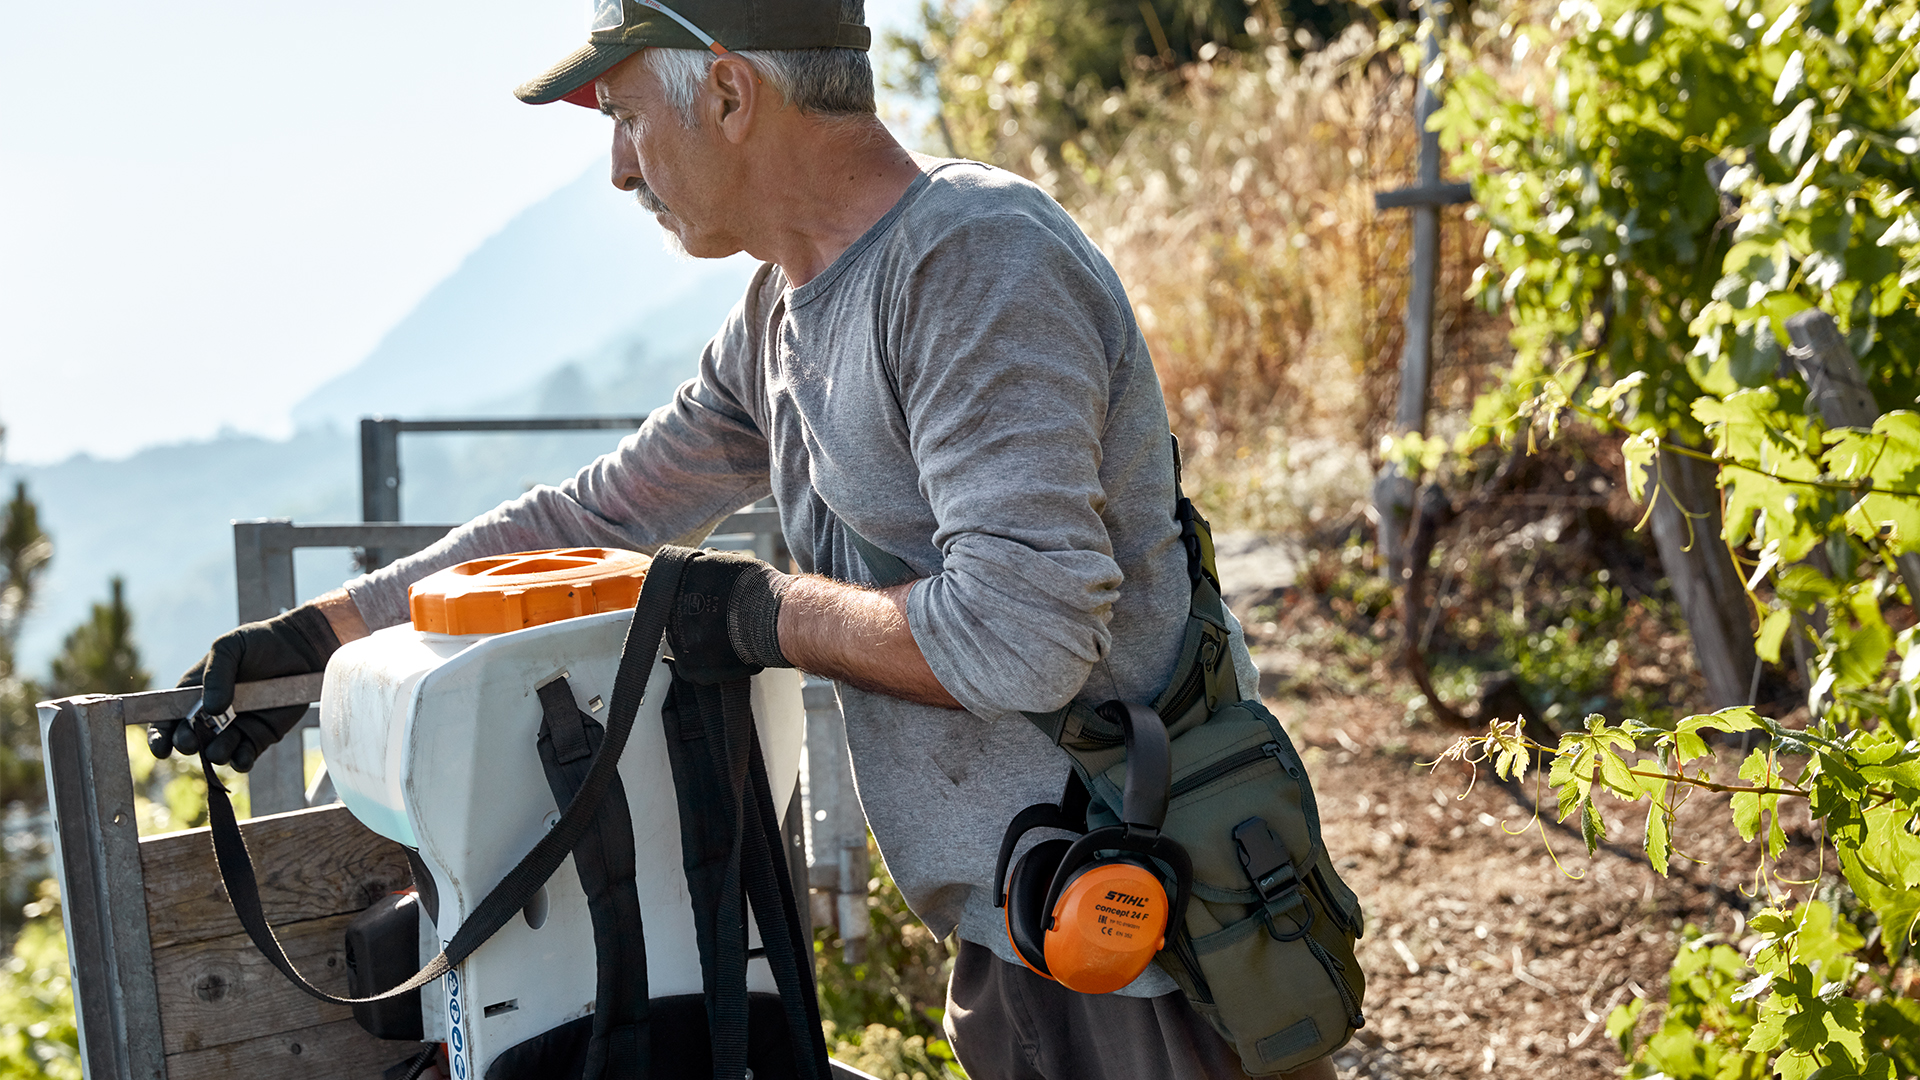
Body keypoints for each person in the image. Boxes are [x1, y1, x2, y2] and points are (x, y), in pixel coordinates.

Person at [151, 2, 1338, 1077]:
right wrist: (315, 641)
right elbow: (594, 518)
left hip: (1147, 930)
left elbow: (1019, 639)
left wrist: (762, 612)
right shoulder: (784, 310)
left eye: (623, 118)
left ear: (727, 91)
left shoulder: (976, 263)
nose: (618, 168)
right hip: (1015, 923)